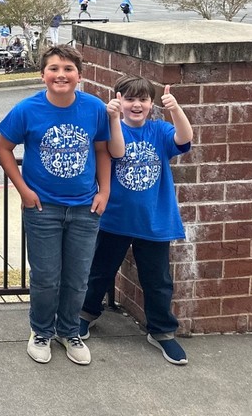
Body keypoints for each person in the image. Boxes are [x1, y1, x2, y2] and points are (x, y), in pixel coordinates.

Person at [0, 44, 123, 366]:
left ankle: (69, 331)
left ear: (79, 75)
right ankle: (41, 332)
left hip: (85, 208)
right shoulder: (27, 109)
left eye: (68, 69)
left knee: (77, 277)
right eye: (53, 68)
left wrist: (105, 192)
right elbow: (3, 147)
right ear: (43, 74)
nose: (61, 75)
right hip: (43, 209)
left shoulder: (94, 108)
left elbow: (102, 151)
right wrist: (23, 190)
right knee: (46, 277)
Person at [80, 77, 194, 365]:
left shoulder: (159, 130)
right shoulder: (112, 129)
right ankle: (86, 314)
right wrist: (114, 118)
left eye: (143, 99)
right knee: (99, 271)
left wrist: (175, 109)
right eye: (130, 99)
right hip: (115, 219)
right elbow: (117, 151)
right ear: (119, 100)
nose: (137, 105)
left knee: (158, 281)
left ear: (151, 103)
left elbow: (184, 139)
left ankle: (162, 331)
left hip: (154, 220)